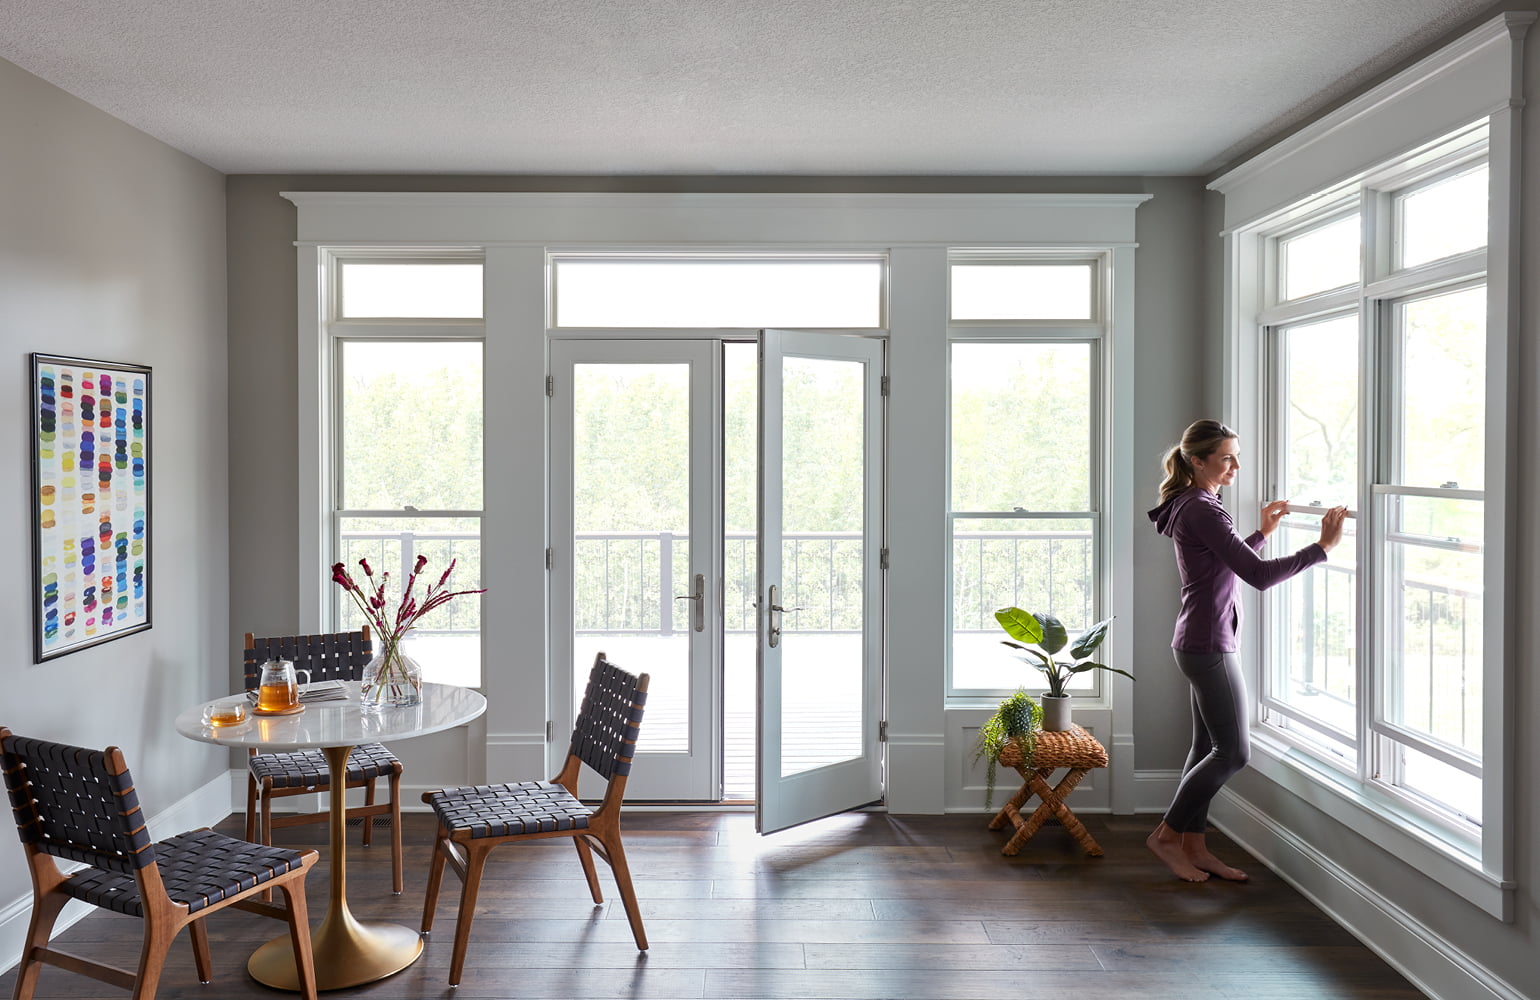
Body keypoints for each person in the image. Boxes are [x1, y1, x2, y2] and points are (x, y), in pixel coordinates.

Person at [1145, 419, 1346, 882]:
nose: (1235, 465)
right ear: (1198, 461)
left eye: (1236, 456)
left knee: (1205, 747)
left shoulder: (1194, 502)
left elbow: (1220, 563)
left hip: (1198, 641)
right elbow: (1257, 576)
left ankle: (1194, 846)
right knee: (1233, 752)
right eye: (1226, 458)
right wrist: (1322, 547)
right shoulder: (1203, 508)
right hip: (1208, 645)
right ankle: (1166, 836)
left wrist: (1262, 534)